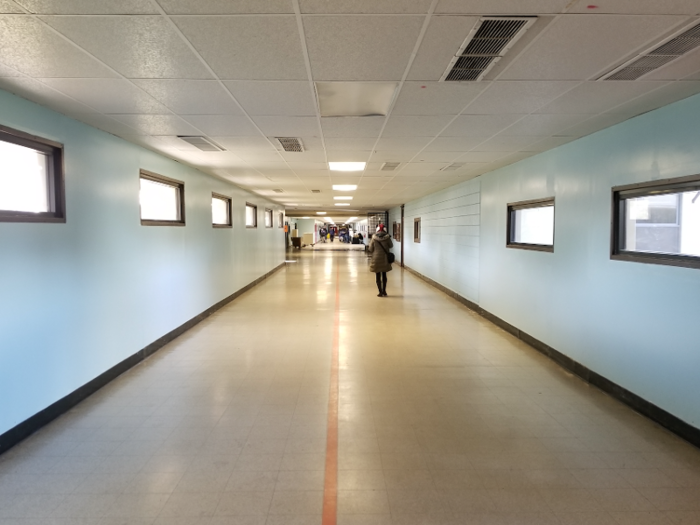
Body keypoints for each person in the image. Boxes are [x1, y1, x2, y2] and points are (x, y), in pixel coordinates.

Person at [368, 224, 393, 297]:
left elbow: (370, 249)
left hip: (376, 259)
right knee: (384, 275)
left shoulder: (374, 238)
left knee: (378, 275)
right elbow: (391, 246)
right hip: (385, 258)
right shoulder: (387, 237)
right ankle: (384, 291)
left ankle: (380, 292)